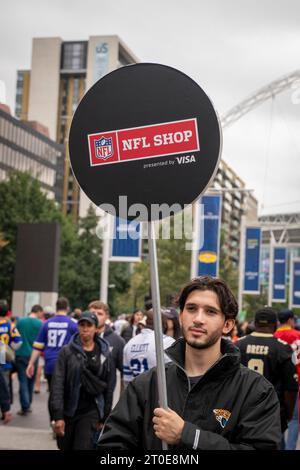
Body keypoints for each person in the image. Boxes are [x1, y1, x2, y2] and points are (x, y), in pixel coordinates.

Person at [98, 276, 281, 450]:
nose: (198, 319)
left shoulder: (256, 391)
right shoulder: (147, 384)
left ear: (228, 325)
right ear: (181, 316)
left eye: (210, 311)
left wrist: (189, 436)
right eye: (191, 308)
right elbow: (112, 445)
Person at [50, 311, 114, 450]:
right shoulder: (67, 351)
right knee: (64, 446)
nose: (85, 329)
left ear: (96, 328)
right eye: (82, 325)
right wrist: (58, 416)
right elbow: (57, 383)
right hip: (69, 410)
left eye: (89, 325)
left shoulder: (105, 353)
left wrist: (105, 416)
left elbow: (110, 385)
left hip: (91, 411)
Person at [236, 308, 298, 447]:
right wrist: (287, 415)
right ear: (274, 324)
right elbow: (291, 387)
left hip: (242, 410)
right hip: (271, 413)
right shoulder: (283, 348)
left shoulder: (239, 345)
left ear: (255, 324)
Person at [26, 297, 78, 421]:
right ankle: (63, 419)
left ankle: (54, 420)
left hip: (50, 363)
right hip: (67, 365)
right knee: (66, 393)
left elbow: (38, 346)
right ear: (67, 308)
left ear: (56, 307)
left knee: (54, 393)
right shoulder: (73, 324)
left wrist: (31, 363)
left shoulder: (47, 323)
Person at [123, 310, 175, 386]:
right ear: (164, 324)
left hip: (136, 393)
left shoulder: (130, 343)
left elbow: (127, 380)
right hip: (160, 394)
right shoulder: (167, 342)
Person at [274, 309, 300, 450]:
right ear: (290, 320)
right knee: (294, 420)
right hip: (296, 381)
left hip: (277, 384)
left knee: (277, 419)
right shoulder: (298, 335)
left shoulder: (274, 335)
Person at [89, 301, 125, 393]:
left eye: (100, 314)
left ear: (106, 317)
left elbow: (124, 373)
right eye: (93, 313)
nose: (96, 316)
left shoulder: (118, 341)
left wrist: (122, 398)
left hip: (105, 396)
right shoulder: (77, 338)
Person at [15, 304, 43, 415]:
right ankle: (28, 403)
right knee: (31, 379)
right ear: (39, 311)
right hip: (33, 355)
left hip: (21, 354)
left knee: (22, 379)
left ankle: (25, 405)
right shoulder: (39, 323)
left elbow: (15, 337)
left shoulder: (20, 321)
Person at [0, 299, 22, 399]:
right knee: (4, 387)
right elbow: (19, 342)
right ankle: (5, 409)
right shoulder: (11, 326)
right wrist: (10, 348)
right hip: (5, 360)